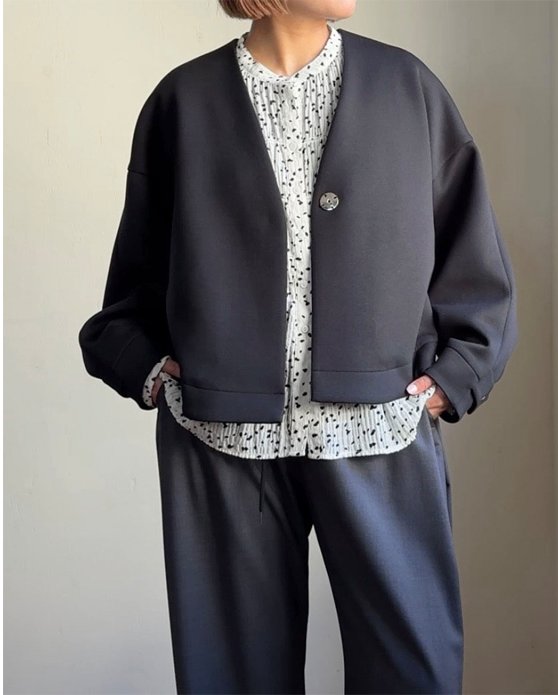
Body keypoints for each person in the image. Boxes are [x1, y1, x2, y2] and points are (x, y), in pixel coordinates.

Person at [78, 1, 518, 692]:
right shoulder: (183, 102)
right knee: (233, 676)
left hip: (381, 433)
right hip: (222, 443)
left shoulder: (408, 88)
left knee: (414, 671)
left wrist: (455, 375)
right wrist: (152, 371)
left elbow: (474, 264)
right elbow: (131, 291)